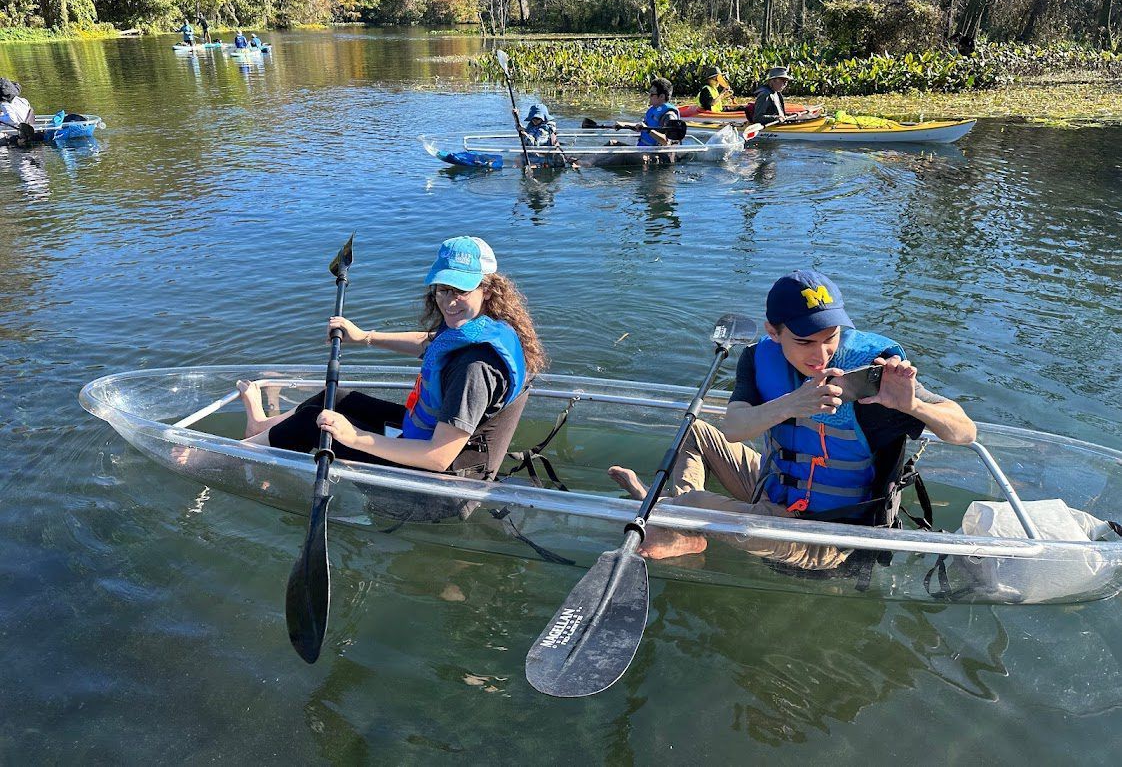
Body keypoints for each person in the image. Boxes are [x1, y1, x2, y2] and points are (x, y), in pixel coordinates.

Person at [608, 269, 977, 570]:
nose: (820, 355)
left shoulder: (872, 377)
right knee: (696, 431)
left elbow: (965, 432)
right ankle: (680, 521)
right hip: (774, 491)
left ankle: (676, 517)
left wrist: (913, 407)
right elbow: (734, 429)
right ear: (773, 331)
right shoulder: (757, 360)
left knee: (682, 507)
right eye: (804, 342)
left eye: (830, 337)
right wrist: (791, 404)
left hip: (826, 539)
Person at [236, 236, 548, 495]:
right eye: (443, 289)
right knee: (343, 400)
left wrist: (353, 437)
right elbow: (430, 343)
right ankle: (260, 431)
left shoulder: (475, 369)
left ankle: (234, 456)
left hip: (438, 486)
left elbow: (438, 458)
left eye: (461, 291)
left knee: (314, 425)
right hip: (426, 435)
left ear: (487, 289)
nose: (449, 302)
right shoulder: (478, 324)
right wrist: (365, 337)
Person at [614, 77, 680, 146]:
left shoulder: (669, 115)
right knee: (612, 143)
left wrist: (647, 130)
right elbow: (642, 126)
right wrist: (623, 124)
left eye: (652, 94)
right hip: (642, 151)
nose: (649, 96)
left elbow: (666, 142)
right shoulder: (652, 110)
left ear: (662, 96)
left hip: (656, 155)